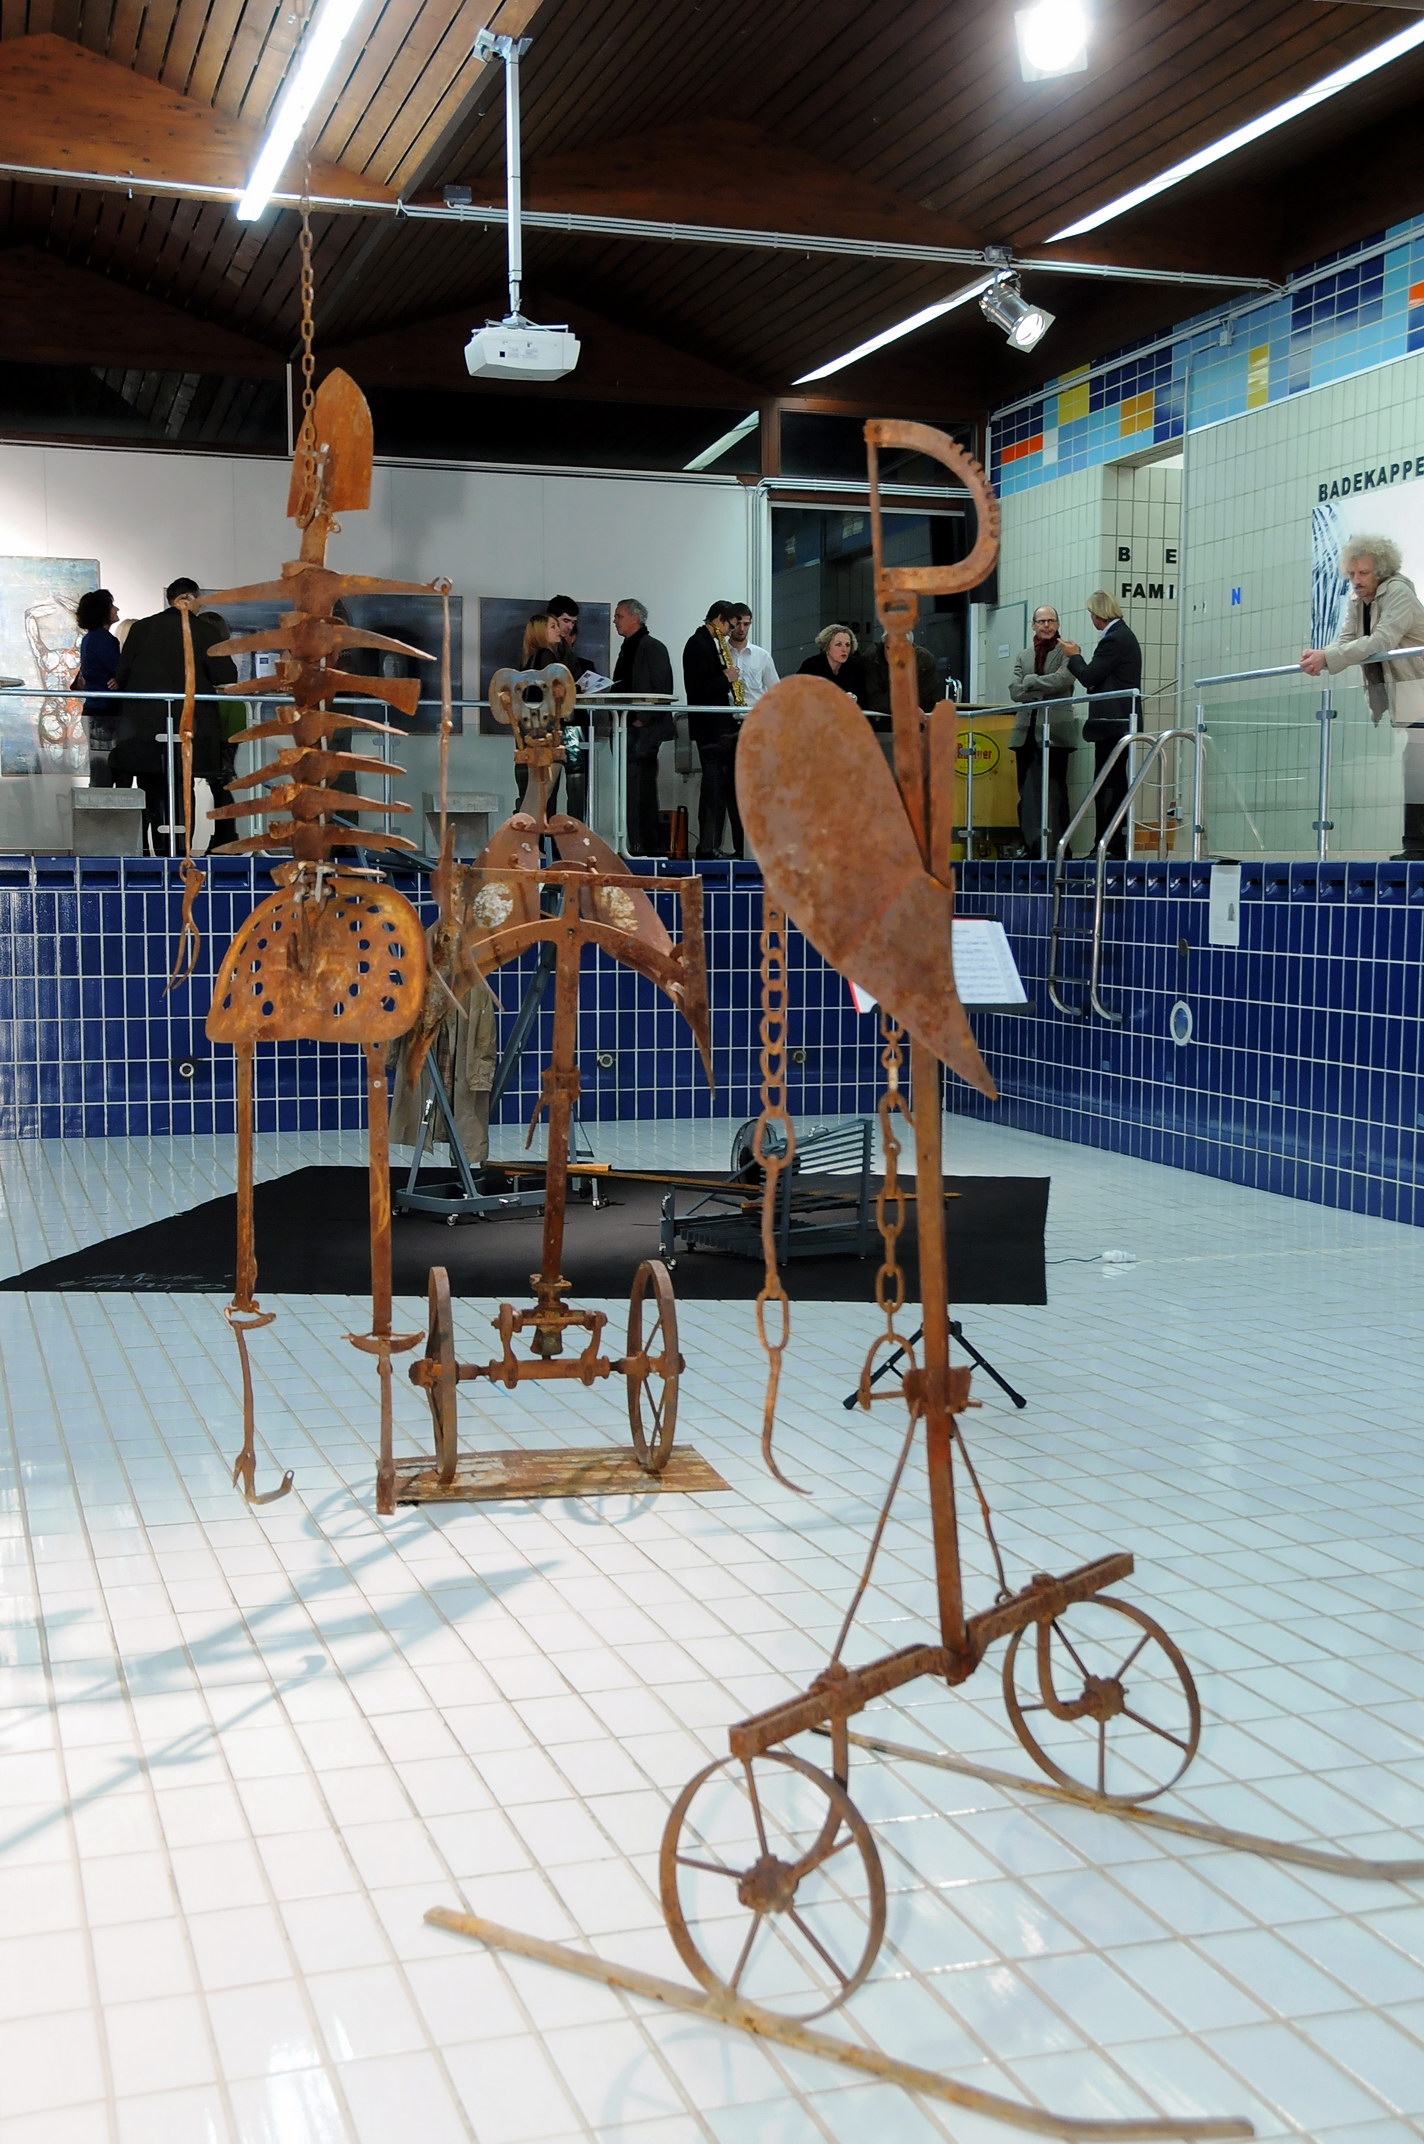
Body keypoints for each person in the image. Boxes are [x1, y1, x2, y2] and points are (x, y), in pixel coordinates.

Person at [1302, 535, 1424, 859]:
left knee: (1417, 766)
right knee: (1415, 766)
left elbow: (1382, 640)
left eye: (1364, 573)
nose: (1356, 580)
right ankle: (1415, 846)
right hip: (1409, 696)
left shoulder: (1398, 592)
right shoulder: (1358, 600)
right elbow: (1345, 639)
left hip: (1419, 692)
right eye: (1353, 573)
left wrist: (1328, 658)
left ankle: (1416, 847)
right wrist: (1322, 655)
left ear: (1381, 572)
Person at [110, 577, 237, 855]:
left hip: (143, 728)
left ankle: (148, 853)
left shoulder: (142, 628)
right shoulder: (204, 630)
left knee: (148, 789)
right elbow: (226, 674)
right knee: (182, 791)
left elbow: (122, 674)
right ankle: (179, 853)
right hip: (189, 726)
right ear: (191, 597)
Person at [1061, 591, 1141, 858]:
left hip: (1113, 722)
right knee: (1110, 783)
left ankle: (1109, 845)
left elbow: (1089, 676)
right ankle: (1107, 844)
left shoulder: (1114, 639)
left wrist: (1074, 656)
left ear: (1097, 614)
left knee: (1108, 785)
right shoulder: (1122, 635)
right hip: (1118, 721)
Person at [1009, 603, 1078, 857]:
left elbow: (1063, 680)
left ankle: (1059, 848)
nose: (1046, 625)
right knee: (1027, 792)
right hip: (1025, 731)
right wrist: (1041, 687)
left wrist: (1031, 682)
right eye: (1041, 621)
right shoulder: (1024, 656)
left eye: (1051, 621)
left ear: (1058, 624)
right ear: (1033, 625)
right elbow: (1014, 691)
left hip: (1055, 731)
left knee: (1056, 792)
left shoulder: (1067, 651)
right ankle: (1032, 846)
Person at [612, 597, 675, 854]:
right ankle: (633, 842)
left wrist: (643, 718)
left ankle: (645, 844)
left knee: (641, 788)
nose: (615, 621)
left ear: (634, 618)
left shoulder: (652, 647)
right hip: (626, 726)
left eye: (619, 616)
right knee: (630, 789)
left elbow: (662, 688)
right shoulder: (629, 647)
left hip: (642, 730)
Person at [683, 601, 743, 857]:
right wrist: (726, 678)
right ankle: (708, 846)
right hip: (709, 727)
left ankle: (713, 844)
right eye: (730, 625)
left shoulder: (709, 643)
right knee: (713, 788)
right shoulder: (697, 644)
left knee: (719, 788)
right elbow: (697, 688)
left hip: (719, 726)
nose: (730, 632)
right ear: (718, 619)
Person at [74, 588, 121, 786]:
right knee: (104, 772)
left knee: (101, 770)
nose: (116, 609)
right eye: (112, 606)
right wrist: (120, 677)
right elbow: (117, 668)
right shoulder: (103, 639)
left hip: (96, 710)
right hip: (103, 712)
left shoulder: (90, 638)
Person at [859, 632, 939, 717]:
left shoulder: (924, 660)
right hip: (883, 719)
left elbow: (927, 700)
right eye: (887, 648)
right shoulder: (873, 658)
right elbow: (875, 701)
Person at [723, 603, 778, 705]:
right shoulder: (718, 656)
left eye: (746, 624)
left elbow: (776, 691)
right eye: (738, 624)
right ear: (730, 624)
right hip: (727, 714)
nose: (742, 629)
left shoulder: (763, 656)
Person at [798, 623, 865, 701]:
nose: (844, 649)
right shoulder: (811, 666)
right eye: (838, 644)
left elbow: (863, 697)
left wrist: (853, 697)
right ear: (827, 647)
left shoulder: (855, 666)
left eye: (847, 645)